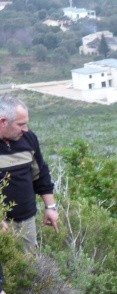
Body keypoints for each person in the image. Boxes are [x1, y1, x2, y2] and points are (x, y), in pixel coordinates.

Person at [0, 95, 59, 253]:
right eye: (21, 124)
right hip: (2, 224)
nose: (25, 129)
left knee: (28, 269)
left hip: (26, 221)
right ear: (3, 122)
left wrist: (51, 207)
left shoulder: (28, 139)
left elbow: (40, 174)